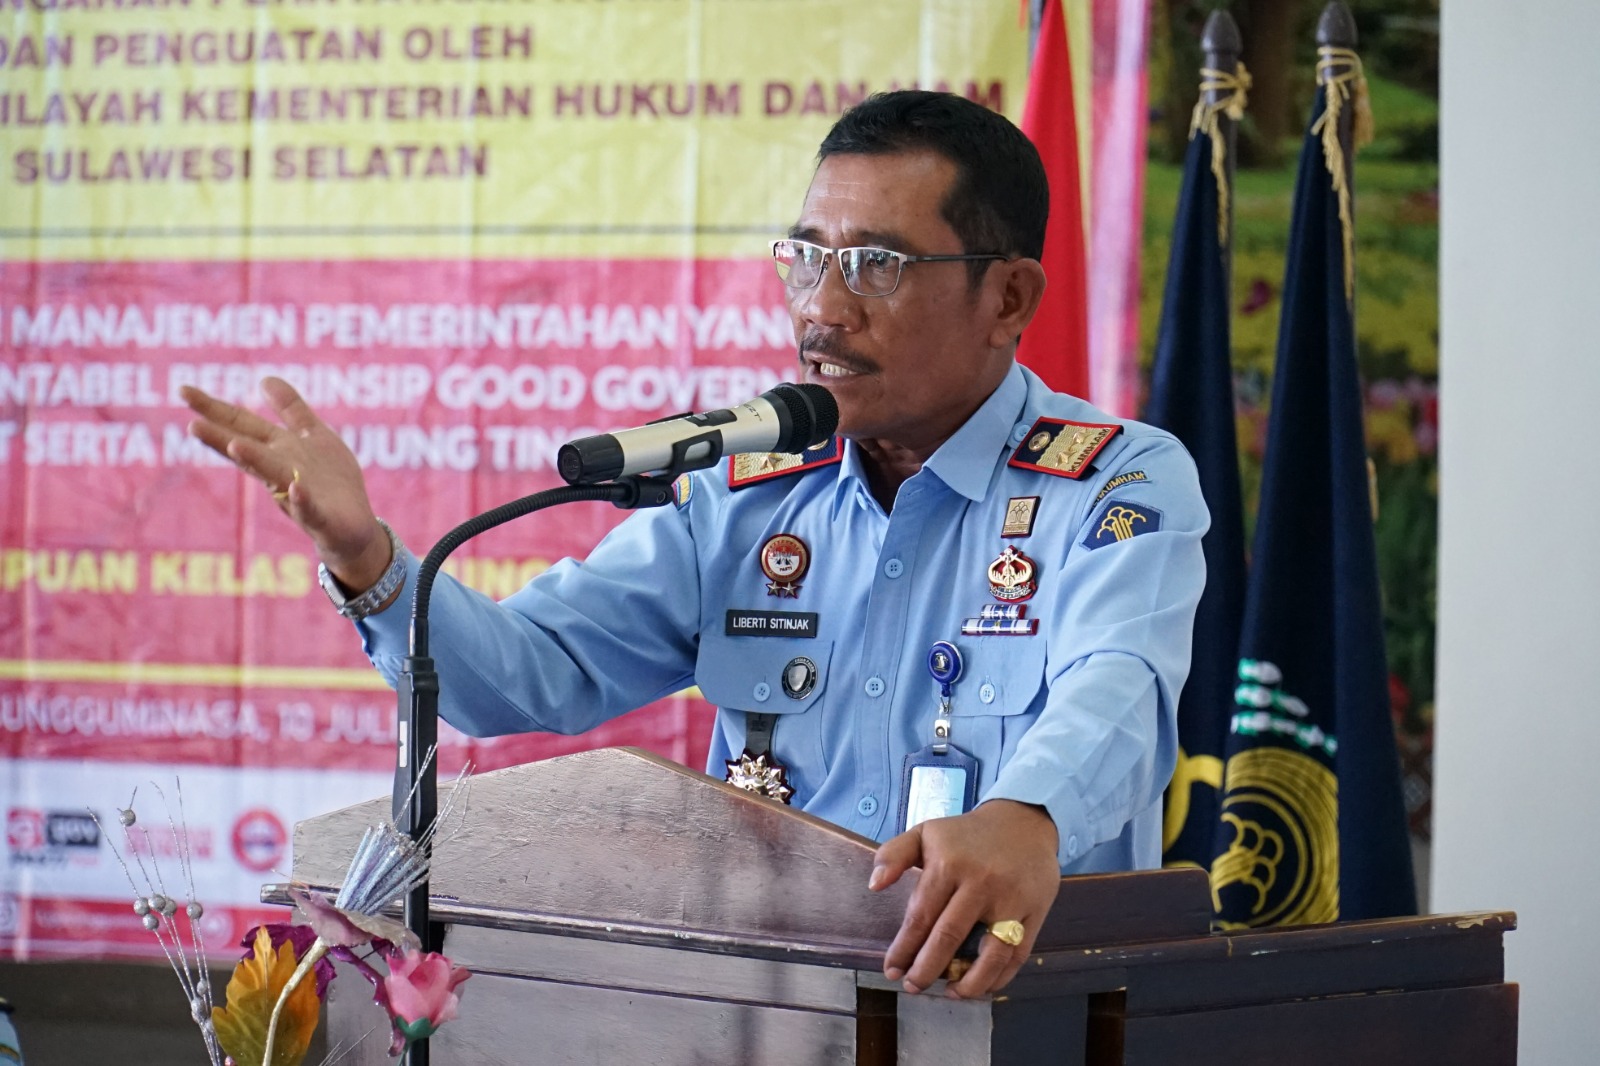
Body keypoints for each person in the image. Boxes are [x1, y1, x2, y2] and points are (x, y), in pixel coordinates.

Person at [183, 90, 1208, 999]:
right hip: (769, 1014)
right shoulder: (748, 493)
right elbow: (527, 674)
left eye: (876, 266)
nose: (823, 308)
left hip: (1009, 1008)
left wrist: (1027, 813)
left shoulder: (1114, 481)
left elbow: (1117, 685)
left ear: (1009, 298)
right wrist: (367, 557)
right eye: (806, 257)